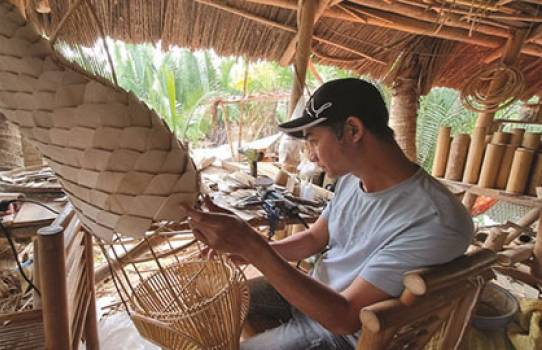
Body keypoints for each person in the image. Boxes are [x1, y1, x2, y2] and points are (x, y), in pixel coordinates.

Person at [182, 78, 473, 350]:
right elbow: (314, 238)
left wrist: (253, 247)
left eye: (313, 140)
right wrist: (248, 251)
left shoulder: (434, 220)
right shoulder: (351, 179)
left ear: (353, 130)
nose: (310, 155)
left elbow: (344, 316)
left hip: (339, 333)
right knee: (223, 301)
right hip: (315, 295)